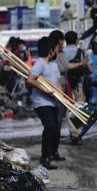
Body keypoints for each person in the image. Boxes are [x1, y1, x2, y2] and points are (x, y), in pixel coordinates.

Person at [27, 36, 61, 170]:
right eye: (55, 48)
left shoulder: (53, 64)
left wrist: (60, 94)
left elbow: (57, 82)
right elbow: (30, 80)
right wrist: (46, 91)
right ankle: (45, 157)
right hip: (42, 102)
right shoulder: (40, 63)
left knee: (54, 128)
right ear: (50, 50)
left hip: (54, 101)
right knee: (50, 127)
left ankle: (50, 154)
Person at [63, 31, 92, 145]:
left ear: (65, 40)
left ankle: (73, 133)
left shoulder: (61, 53)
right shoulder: (81, 52)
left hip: (66, 86)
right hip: (79, 85)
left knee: (70, 110)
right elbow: (90, 69)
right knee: (80, 109)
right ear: (76, 40)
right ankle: (78, 134)